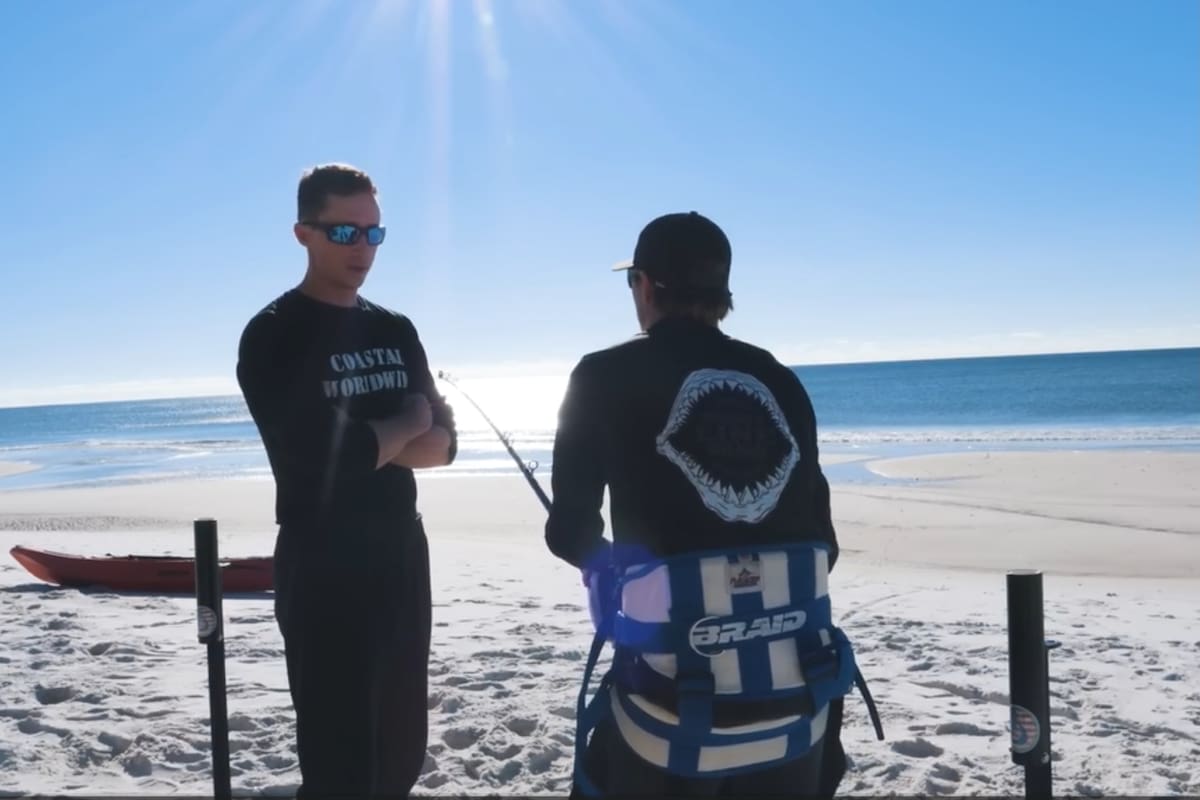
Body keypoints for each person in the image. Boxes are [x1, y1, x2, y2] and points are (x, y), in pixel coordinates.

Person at [545, 211, 881, 798]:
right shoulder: (781, 380)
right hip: (796, 706)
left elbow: (569, 531)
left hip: (669, 711)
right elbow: (823, 545)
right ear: (723, 292)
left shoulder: (601, 375)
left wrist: (619, 574)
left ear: (645, 286)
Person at [236, 163, 456, 799]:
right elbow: (320, 457)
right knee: (339, 754)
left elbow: (445, 447)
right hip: (323, 557)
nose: (362, 247)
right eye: (343, 232)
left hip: (401, 551)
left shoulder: (395, 328)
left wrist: (376, 441)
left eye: (373, 232)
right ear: (303, 233)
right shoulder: (275, 333)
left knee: (401, 747)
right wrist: (407, 421)